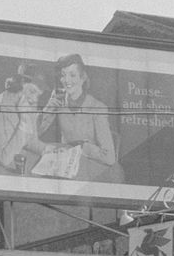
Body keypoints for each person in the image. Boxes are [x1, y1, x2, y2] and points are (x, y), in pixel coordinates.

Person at [37, 53, 124, 183]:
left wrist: (82, 146)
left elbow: (109, 157)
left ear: (83, 78)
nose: (66, 80)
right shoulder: (59, 101)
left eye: (72, 75)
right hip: (65, 168)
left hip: (90, 171)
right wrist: (48, 108)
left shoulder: (97, 108)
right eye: (63, 75)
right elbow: (34, 133)